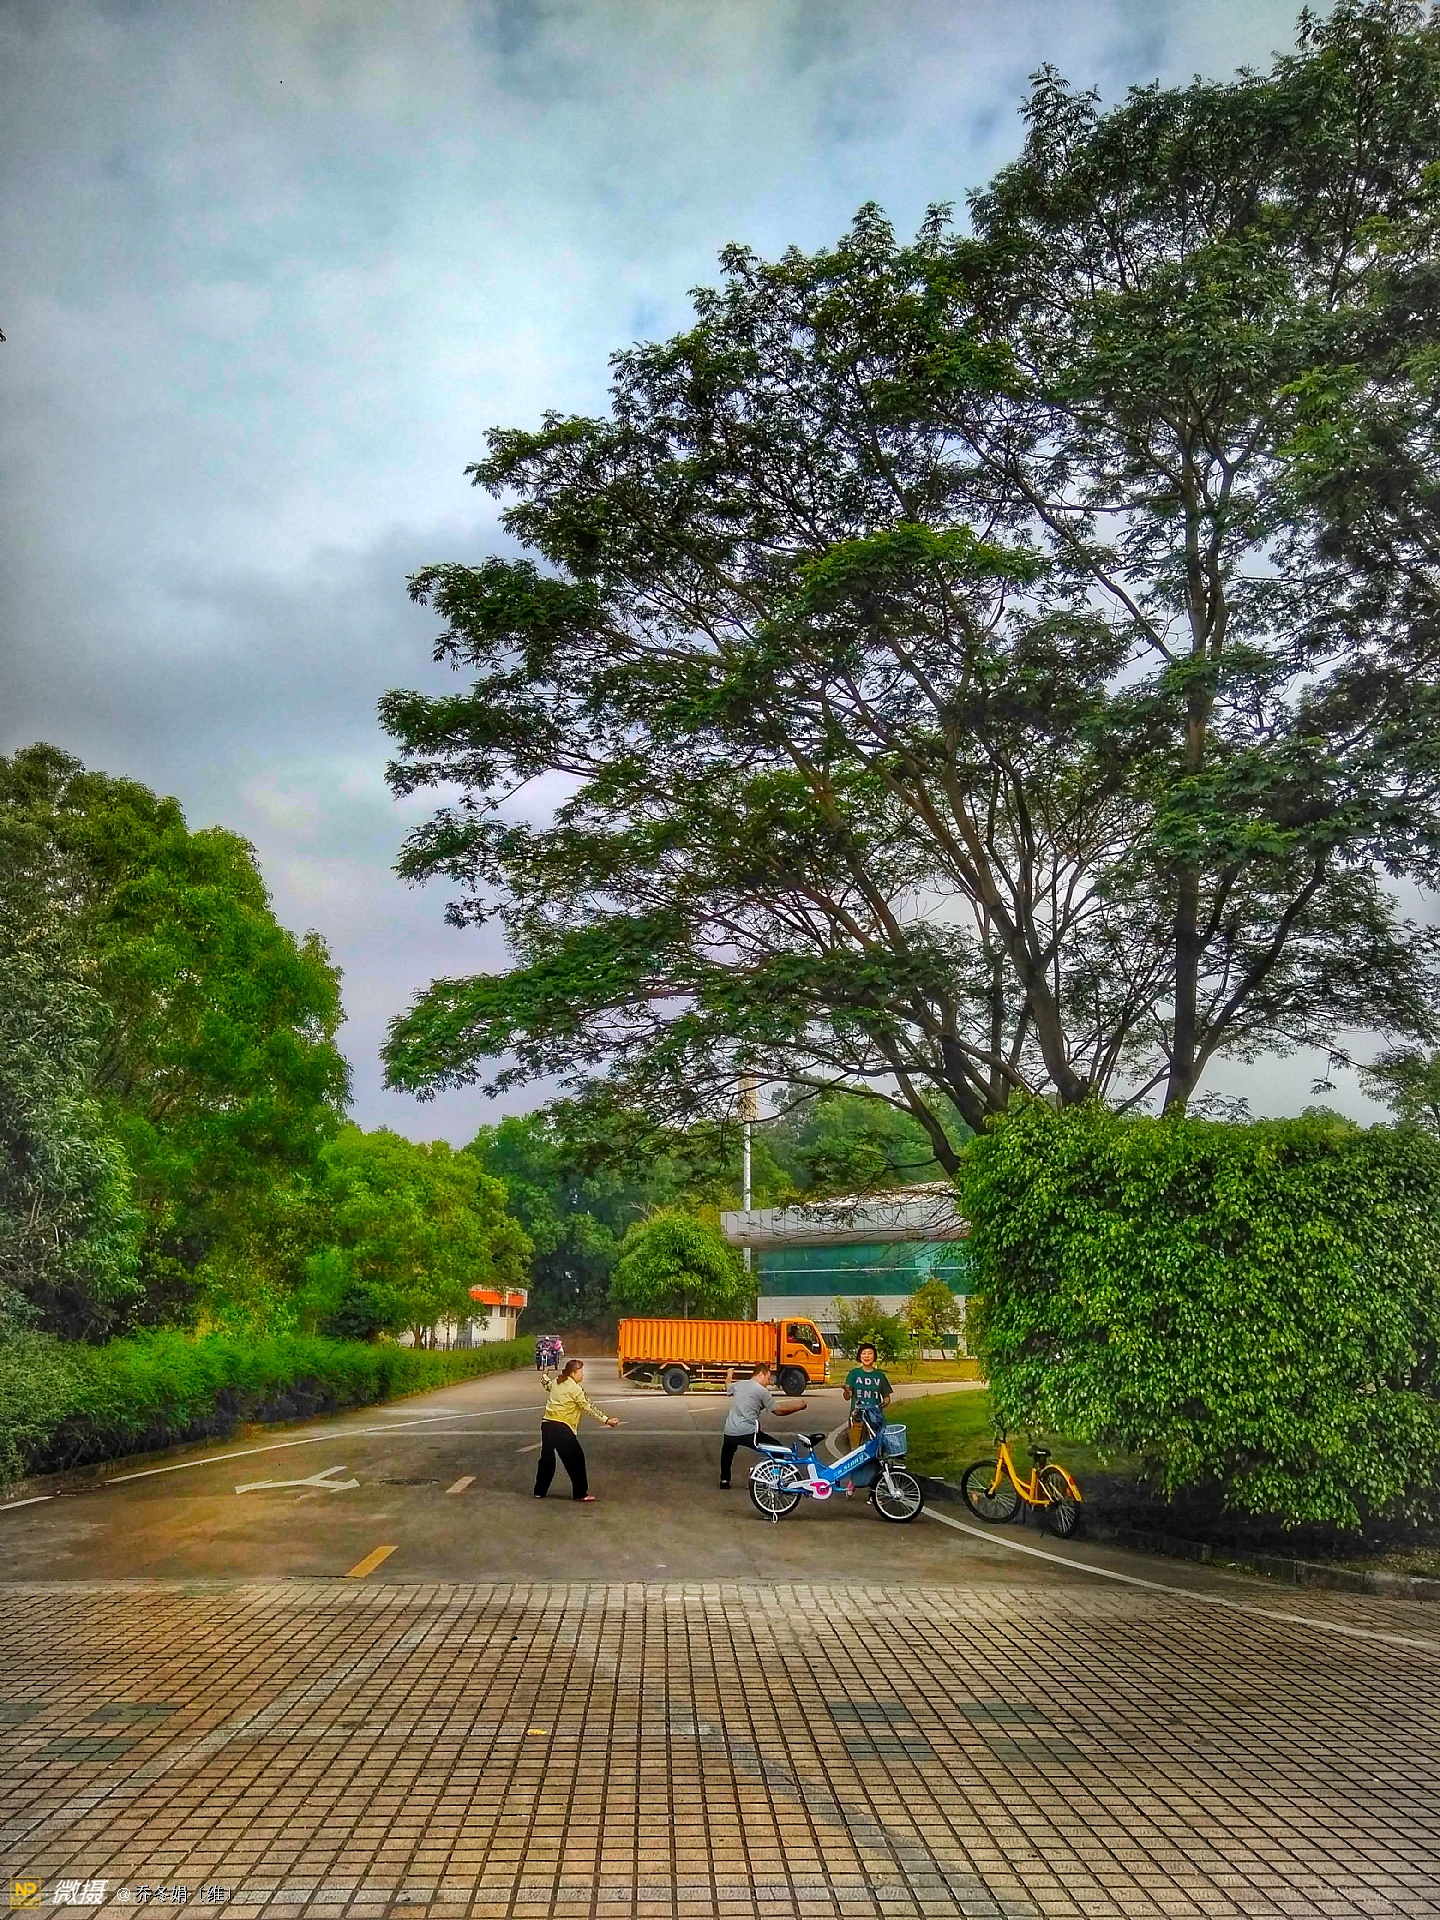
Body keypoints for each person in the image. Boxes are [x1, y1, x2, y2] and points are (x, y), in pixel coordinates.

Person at [535, 1357, 618, 1502]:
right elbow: (589, 1407)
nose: (583, 1375)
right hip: (562, 1427)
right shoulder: (575, 1389)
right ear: (573, 1373)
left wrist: (544, 1374)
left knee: (547, 1459)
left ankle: (539, 1491)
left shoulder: (557, 1382)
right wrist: (606, 1420)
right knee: (576, 1459)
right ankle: (580, 1493)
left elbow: (546, 1384)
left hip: (547, 1424)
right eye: (581, 1372)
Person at [718, 1362, 807, 1488]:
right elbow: (778, 1411)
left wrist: (729, 1374)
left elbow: (728, 1387)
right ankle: (773, 1479)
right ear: (761, 1374)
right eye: (768, 1378)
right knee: (778, 1449)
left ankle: (724, 1480)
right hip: (748, 1432)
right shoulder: (762, 1391)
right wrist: (798, 1407)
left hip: (730, 1430)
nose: (768, 1382)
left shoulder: (739, 1385)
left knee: (727, 1452)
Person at [844, 1342, 893, 1447]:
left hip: (874, 1419)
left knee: (875, 1448)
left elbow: (887, 1399)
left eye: (870, 1353)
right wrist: (847, 1391)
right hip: (857, 1418)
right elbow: (847, 1397)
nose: (866, 1356)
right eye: (864, 1353)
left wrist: (877, 1409)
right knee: (855, 1449)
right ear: (859, 1356)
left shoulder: (880, 1376)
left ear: (874, 1356)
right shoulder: (853, 1374)